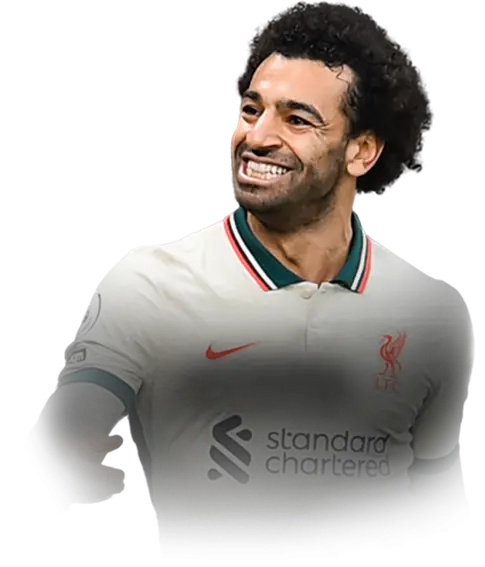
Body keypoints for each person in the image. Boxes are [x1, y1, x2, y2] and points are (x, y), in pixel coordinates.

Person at [26, 0, 472, 559]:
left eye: (297, 119)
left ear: (361, 150)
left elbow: (439, 496)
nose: (256, 137)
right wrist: (58, 455)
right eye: (251, 110)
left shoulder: (432, 310)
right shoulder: (149, 282)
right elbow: (67, 421)